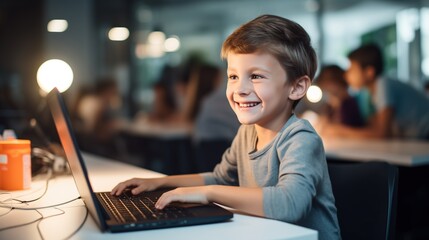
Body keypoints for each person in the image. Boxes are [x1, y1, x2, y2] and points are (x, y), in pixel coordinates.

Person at [111, 15, 340, 239]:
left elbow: (289, 204)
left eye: (256, 76)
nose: (239, 89)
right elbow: (220, 179)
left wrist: (207, 194)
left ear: (297, 87)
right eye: (233, 76)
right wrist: (161, 182)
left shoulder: (300, 138)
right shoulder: (247, 132)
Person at [320, 44, 429, 139]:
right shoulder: (371, 93)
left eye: (352, 69)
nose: (346, 74)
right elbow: (373, 127)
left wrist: (341, 132)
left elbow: (383, 133)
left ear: (369, 72)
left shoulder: (383, 84)